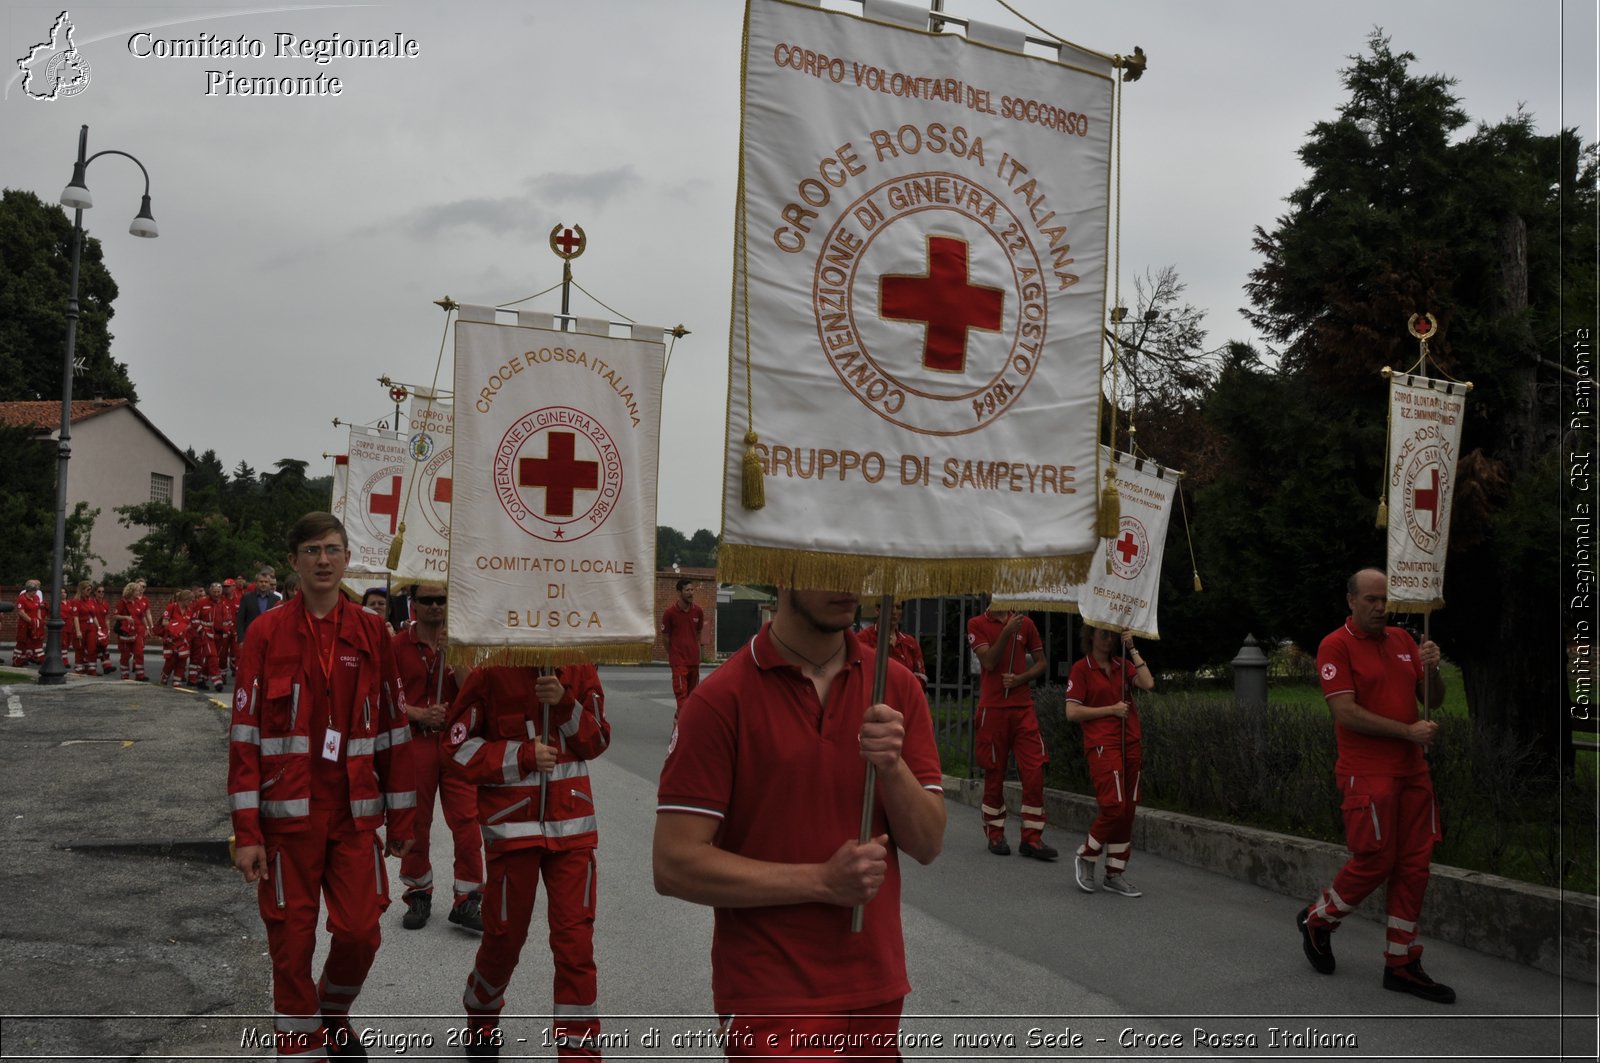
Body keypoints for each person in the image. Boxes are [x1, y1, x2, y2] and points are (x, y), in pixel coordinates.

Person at [654, 587, 945, 1055]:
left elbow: (928, 844)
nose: (849, 584)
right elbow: (673, 863)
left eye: (855, 566)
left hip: (875, 988)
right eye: (827, 566)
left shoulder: (895, 686)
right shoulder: (719, 699)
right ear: (783, 568)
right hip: (769, 995)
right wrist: (821, 882)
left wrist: (892, 767)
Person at [227, 512, 417, 1057]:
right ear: (293, 561)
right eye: (312, 549)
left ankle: (331, 1011)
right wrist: (248, 834)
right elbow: (244, 741)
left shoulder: (370, 632)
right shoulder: (265, 633)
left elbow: (392, 729)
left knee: (360, 932)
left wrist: (404, 821)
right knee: (290, 946)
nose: (324, 559)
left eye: (333, 548)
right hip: (286, 823)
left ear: (348, 556)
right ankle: (300, 1048)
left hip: (353, 815)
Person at [1297, 569, 1454, 1003]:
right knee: (1375, 860)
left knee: (1415, 866)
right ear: (1350, 600)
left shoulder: (1405, 641)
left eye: (1385, 599)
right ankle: (1319, 919)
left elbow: (1433, 699)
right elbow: (1345, 713)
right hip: (1367, 773)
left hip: (1412, 773)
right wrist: (1407, 733)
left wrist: (1432, 669)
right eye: (1370, 599)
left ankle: (1401, 963)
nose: (1380, 607)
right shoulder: (1336, 645)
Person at [444, 661, 611, 1058]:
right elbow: (456, 749)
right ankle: (481, 1017)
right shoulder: (489, 672)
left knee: (576, 949)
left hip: (573, 831)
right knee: (504, 941)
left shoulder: (581, 669)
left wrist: (566, 704)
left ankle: (579, 1055)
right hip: (512, 833)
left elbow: (597, 741)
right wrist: (521, 756)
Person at [390, 582, 484, 933]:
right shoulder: (397, 645)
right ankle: (418, 892)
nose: (434, 606)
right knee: (416, 822)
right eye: (427, 600)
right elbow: (386, 698)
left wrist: (456, 656)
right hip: (417, 742)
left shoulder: (462, 643)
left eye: (441, 600)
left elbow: (476, 690)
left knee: (467, 821)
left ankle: (468, 898)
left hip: (456, 743)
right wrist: (419, 714)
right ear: (413, 604)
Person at [1065, 625, 1155, 897]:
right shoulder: (1082, 669)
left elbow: (1148, 683)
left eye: (1112, 635)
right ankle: (1087, 854)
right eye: (1104, 634)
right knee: (1114, 806)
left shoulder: (1122, 665)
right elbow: (1072, 712)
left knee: (1128, 809)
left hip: (1130, 743)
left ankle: (1115, 873)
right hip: (1103, 745)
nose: (1109, 639)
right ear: (1090, 636)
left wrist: (1132, 648)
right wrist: (1111, 710)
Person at [965, 603, 1054, 859]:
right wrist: (1006, 632)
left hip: (1023, 707)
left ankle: (1032, 838)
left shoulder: (1025, 623)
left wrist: (1020, 679)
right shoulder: (976, 623)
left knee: (1035, 769)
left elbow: (1041, 663)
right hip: (993, 709)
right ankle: (995, 834)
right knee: (995, 772)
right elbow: (989, 661)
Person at [857, 601, 928, 687]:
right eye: (890, 607)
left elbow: (921, 678)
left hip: (904, 696)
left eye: (898, 608)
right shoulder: (863, 638)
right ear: (877, 610)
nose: (894, 612)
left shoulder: (910, 643)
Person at [661, 578, 705, 717]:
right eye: (687, 590)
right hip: (679, 662)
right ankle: (682, 733)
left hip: (694, 661)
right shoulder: (670, 613)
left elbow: (697, 633)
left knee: (692, 698)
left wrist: (695, 652)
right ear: (679, 592)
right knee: (682, 697)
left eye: (692, 590)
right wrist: (674, 654)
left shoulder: (698, 611)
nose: (691, 593)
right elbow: (665, 638)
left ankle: (678, 719)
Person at [237, 567, 283, 648]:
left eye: (266, 582)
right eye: (261, 581)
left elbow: (279, 621)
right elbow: (240, 619)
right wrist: (241, 639)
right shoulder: (246, 597)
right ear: (256, 583)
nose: (263, 584)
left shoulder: (276, 599)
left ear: (269, 583)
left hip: (270, 638)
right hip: (250, 637)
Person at [159, 589, 193, 686]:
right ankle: (164, 676)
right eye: (189, 600)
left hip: (184, 639)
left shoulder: (189, 610)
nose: (190, 603)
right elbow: (164, 622)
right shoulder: (171, 607)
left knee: (182, 660)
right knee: (171, 660)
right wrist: (177, 626)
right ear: (184, 599)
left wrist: (185, 628)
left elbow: (190, 624)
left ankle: (177, 680)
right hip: (171, 639)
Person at [115, 582, 144, 681]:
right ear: (131, 591)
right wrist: (126, 617)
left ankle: (140, 675)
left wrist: (147, 627)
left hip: (136, 631)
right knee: (126, 654)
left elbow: (142, 616)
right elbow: (115, 616)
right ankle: (125, 675)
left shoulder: (138, 602)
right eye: (136, 590)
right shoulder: (122, 602)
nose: (139, 591)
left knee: (139, 652)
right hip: (126, 633)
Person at [12, 580, 45, 667]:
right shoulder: (22, 598)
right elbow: (21, 612)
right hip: (24, 624)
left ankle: (40, 659)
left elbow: (38, 609)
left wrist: (39, 620)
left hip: (34, 623)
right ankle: (17, 660)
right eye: (34, 591)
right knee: (22, 641)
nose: (35, 593)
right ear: (29, 591)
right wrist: (31, 621)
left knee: (37, 640)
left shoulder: (36, 598)